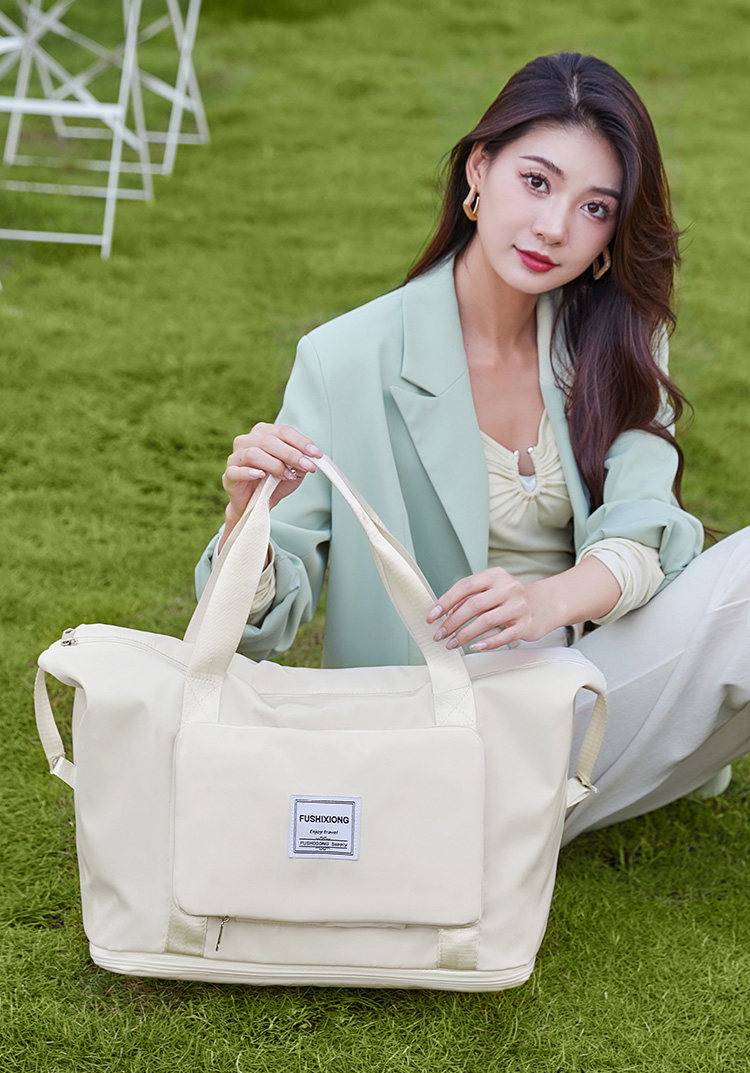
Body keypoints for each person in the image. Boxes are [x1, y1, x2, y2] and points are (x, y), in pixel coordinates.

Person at [195, 52, 749, 843]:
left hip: (594, 695)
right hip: (439, 734)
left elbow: (644, 533)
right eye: (537, 181)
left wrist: (545, 602)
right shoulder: (348, 358)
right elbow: (260, 628)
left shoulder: (618, 340)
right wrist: (243, 519)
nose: (555, 227)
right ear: (479, 170)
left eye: (594, 207)